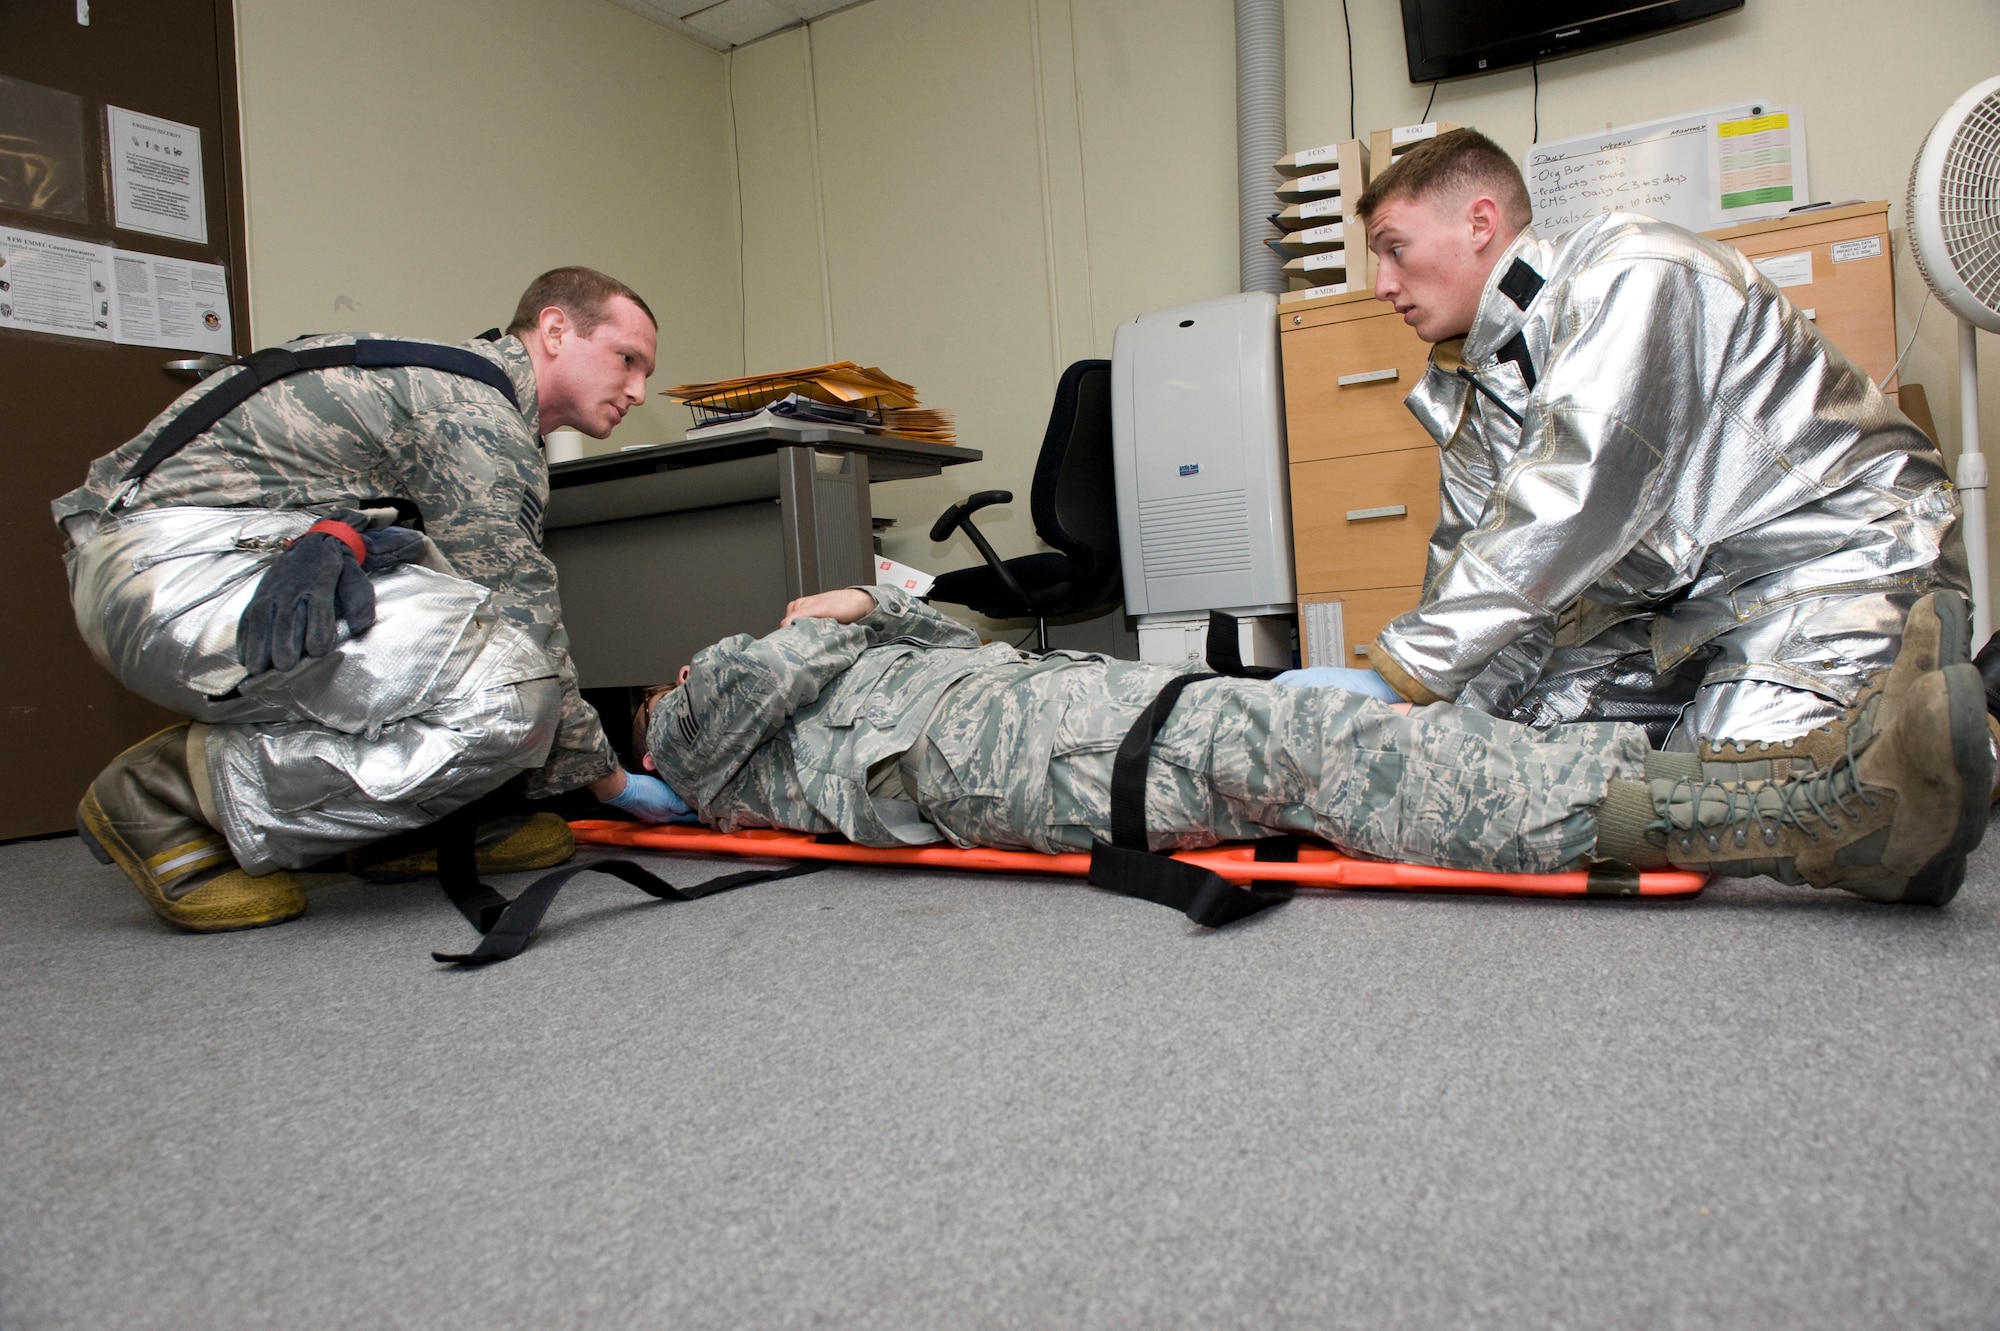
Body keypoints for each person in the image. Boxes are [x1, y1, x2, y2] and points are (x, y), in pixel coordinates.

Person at [628, 582, 1992, 906]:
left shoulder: (820, 672)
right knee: (1349, 759)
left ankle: (1805, 780)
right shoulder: (708, 721)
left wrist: (889, 606)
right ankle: (1823, 813)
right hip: (1060, 761)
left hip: (1082, 718)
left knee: (1351, 737)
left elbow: (966, 630)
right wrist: (841, 609)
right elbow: (741, 681)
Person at [60, 266, 677, 932]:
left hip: (187, 554)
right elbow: (529, 625)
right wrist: (612, 783)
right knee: (517, 692)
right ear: (555, 330)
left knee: (459, 626)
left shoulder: (454, 386)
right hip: (171, 567)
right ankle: (168, 792)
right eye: (626, 360)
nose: (638, 390)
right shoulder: (478, 417)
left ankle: (399, 829)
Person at [1343, 128, 1967, 758]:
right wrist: (1413, 723)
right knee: (1511, 748)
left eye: (1395, 249)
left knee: (1740, 794)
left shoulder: (1630, 270)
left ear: (1480, 223)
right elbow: (1483, 570)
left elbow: (1580, 494)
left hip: (1842, 553)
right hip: (1694, 605)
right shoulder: (1471, 385)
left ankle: (1963, 732)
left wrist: (1399, 670)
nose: (1382, 285)